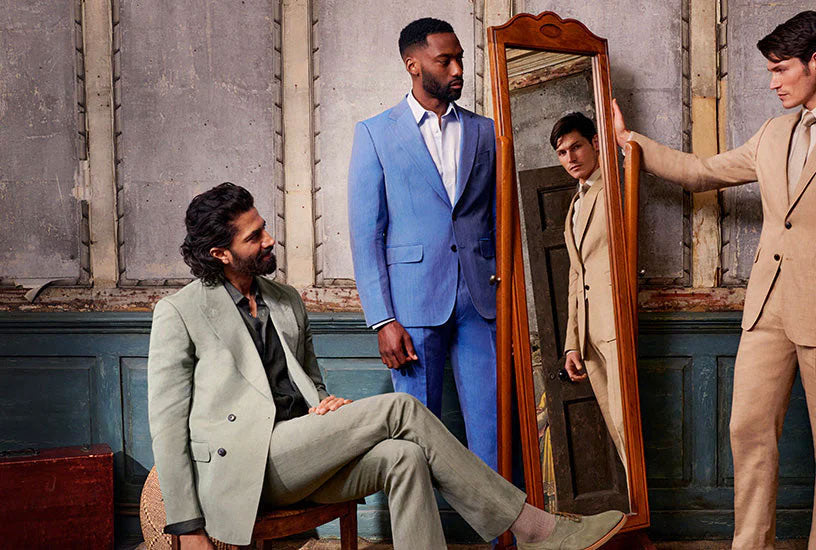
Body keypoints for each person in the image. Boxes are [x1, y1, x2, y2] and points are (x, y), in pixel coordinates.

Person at [147, 182, 626, 549]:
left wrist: (324, 405)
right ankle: (534, 529)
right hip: (247, 467)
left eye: (264, 227)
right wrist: (188, 527)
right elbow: (167, 428)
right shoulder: (179, 312)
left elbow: (309, 381)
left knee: (405, 458)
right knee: (401, 408)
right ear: (220, 253)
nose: (270, 239)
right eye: (255, 237)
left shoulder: (285, 299)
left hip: (303, 448)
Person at [612, 11, 816, 550]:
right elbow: (702, 172)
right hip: (766, 309)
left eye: (780, 69)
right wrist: (630, 141)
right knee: (746, 430)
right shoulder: (774, 132)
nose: (772, 83)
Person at [348, 17, 499, 469]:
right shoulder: (375, 132)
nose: (458, 70)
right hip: (412, 305)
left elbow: (499, 219)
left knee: (493, 430)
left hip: (482, 301)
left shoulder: (485, 131)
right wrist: (383, 320)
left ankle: (499, 518)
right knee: (418, 435)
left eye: (460, 59)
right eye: (445, 60)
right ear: (413, 64)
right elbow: (366, 235)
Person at [550, 112, 627, 468]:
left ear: (596, 143)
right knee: (616, 429)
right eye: (562, 153)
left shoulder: (614, 186)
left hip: (615, 326)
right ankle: (637, 499)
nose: (570, 158)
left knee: (628, 426)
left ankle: (644, 501)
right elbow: (575, 276)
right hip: (589, 339)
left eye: (576, 147)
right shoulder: (575, 203)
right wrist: (571, 343)